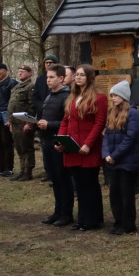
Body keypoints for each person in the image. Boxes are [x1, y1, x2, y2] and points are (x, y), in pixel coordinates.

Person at [57, 64, 108, 231]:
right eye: (77, 75)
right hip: (72, 148)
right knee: (78, 184)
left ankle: (92, 219)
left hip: (88, 148)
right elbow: (66, 121)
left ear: (90, 78)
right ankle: (82, 219)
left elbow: (99, 124)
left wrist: (88, 144)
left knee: (89, 183)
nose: (78, 77)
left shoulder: (99, 98)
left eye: (82, 75)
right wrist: (61, 140)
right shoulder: (72, 97)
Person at [102, 81, 139, 236]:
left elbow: (130, 138)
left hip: (127, 161)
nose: (113, 98)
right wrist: (106, 154)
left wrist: (115, 155)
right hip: (113, 161)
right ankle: (118, 221)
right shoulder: (111, 112)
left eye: (116, 95)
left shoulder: (133, 114)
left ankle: (128, 224)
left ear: (124, 96)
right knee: (115, 194)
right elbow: (106, 136)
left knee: (126, 194)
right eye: (112, 95)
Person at [37, 65, 74, 226]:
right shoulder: (49, 96)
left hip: (59, 144)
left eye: (51, 77)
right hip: (46, 142)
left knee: (63, 179)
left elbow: (69, 122)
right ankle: (57, 211)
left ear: (61, 78)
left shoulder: (67, 96)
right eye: (47, 77)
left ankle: (66, 213)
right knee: (54, 179)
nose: (48, 80)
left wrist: (49, 124)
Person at [7, 64, 37, 181]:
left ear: (29, 73)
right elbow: (11, 105)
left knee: (26, 147)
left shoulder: (30, 87)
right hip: (15, 122)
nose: (20, 73)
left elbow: (32, 106)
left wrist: (29, 122)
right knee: (18, 147)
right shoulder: (16, 87)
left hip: (24, 122)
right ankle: (22, 170)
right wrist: (9, 120)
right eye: (19, 71)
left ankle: (28, 172)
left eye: (23, 71)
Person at [34, 55, 58, 182]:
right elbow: (36, 97)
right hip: (42, 115)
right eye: (46, 62)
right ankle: (48, 172)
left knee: (54, 146)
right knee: (44, 146)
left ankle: (55, 173)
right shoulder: (40, 79)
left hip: (54, 118)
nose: (48, 64)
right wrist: (43, 107)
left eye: (51, 62)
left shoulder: (59, 80)